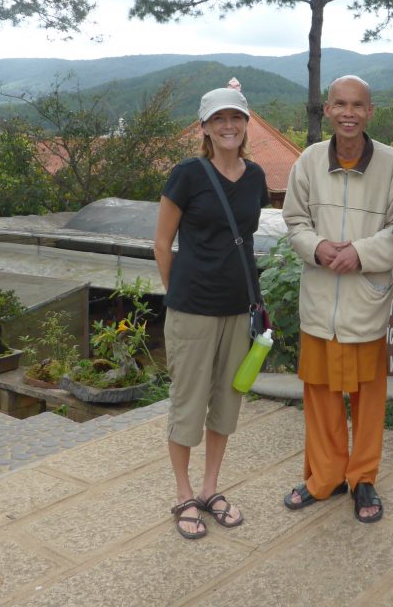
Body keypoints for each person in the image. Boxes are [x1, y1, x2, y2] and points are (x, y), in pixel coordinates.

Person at [282, 75, 393, 523]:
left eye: (358, 105)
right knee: (319, 393)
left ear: (370, 111)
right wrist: (317, 247)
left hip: (364, 302)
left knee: (368, 397)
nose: (349, 113)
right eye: (340, 104)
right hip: (320, 302)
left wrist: (359, 253)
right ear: (328, 109)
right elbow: (295, 220)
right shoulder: (309, 160)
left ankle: (363, 478)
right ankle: (326, 476)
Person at [154, 86, 269, 540]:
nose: (228, 126)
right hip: (193, 310)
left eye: (235, 117)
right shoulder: (187, 174)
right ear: (204, 127)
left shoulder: (256, 176)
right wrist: (180, 294)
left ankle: (210, 489)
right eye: (218, 119)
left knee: (225, 403)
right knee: (188, 403)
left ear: (246, 124)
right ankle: (183, 493)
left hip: (239, 309)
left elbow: (246, 239)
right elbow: (162, 244)